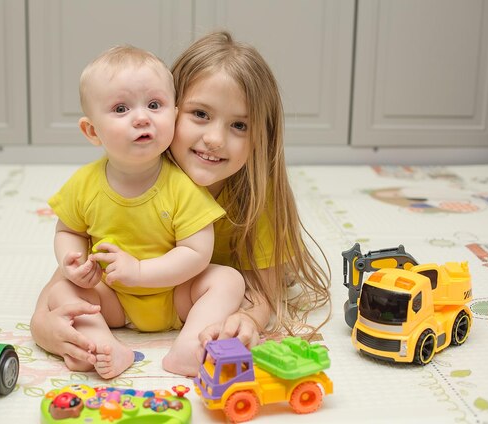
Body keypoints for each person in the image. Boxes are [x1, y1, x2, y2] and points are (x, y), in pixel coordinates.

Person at [34, 45, 245, 379]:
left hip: (176, 295)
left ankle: (189, 345)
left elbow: (197, 253)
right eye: (121, 108)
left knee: (228, 280)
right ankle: (105, 345)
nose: (142, 117)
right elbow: (68, 230)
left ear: (174, 114)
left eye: (154, 105)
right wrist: (71, 262)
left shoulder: (182, 186)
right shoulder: (84, 184)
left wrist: (140, 272)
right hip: (113, 297)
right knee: (63, 288)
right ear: (92, 131)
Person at [168, 31, 331, 350]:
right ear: (168, 109)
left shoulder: (257, 196)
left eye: (239, 126)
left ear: (260, 138)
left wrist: (250, 319)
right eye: (200, 114)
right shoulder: (140, 177)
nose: (215, 138)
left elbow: (262, 293)